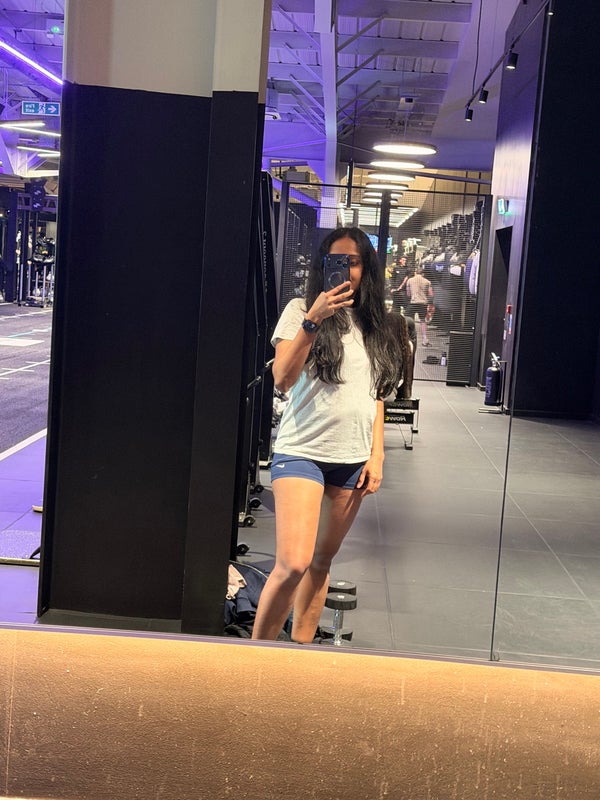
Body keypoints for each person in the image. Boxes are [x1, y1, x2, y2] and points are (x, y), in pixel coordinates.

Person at [251, 227, 403, 643]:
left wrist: (377, 455)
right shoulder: (300, 309)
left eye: (354, 262)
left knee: (321, 563)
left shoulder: (377, 324)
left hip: (352, 457)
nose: (346, 270)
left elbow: (376, 395)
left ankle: (301, 652)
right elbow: (282, 378)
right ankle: (255, 658)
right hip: (302, 449)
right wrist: (313, 320)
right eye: (338, 261)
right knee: (293, 563)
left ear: (366, 269)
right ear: (323, 265)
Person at [406, 267, 434, 347]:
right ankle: (425, 339)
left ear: (416, 272)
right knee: (422, 321)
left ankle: (409, 338)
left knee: (409, 320)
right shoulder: (427, 282)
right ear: (423, 274)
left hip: (413, 302)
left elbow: (408, 294)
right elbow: (431, 294)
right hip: (423, 303)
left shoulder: (410, 280)